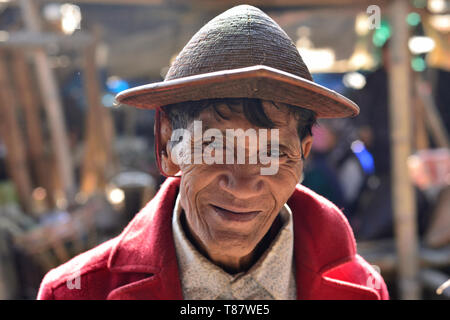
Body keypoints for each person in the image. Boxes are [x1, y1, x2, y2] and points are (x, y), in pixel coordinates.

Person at [37, 5, 388, 300]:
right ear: (167, 145)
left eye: (273, 152)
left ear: (303, 155)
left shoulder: (361, 288)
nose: (243, 183)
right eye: (214, 146)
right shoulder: (76, 292)